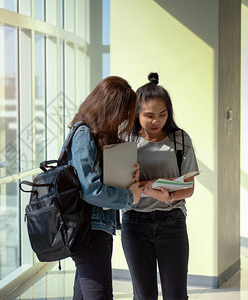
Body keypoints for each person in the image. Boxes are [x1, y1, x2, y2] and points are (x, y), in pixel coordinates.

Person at [121, 72, 199, 300]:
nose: (157, 121)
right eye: (149, 115)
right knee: (144, 295)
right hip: (135, 223)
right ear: (137, 113)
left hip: (172, 221)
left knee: (176, 294)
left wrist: (169, 198)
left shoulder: (180, 139)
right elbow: (119, 185)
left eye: (163, 114)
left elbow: (189, 187)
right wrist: (143, 184)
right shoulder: (126, 140)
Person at [63, 76, 143, 299]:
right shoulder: (83, 134)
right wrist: (130, 197)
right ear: (108, 108)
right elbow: (91, 190)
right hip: (89, 230)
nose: (121, 120)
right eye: (121, 113)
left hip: (96, 228)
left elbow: (97, 180)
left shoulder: (94, 135)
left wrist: (128, 176)